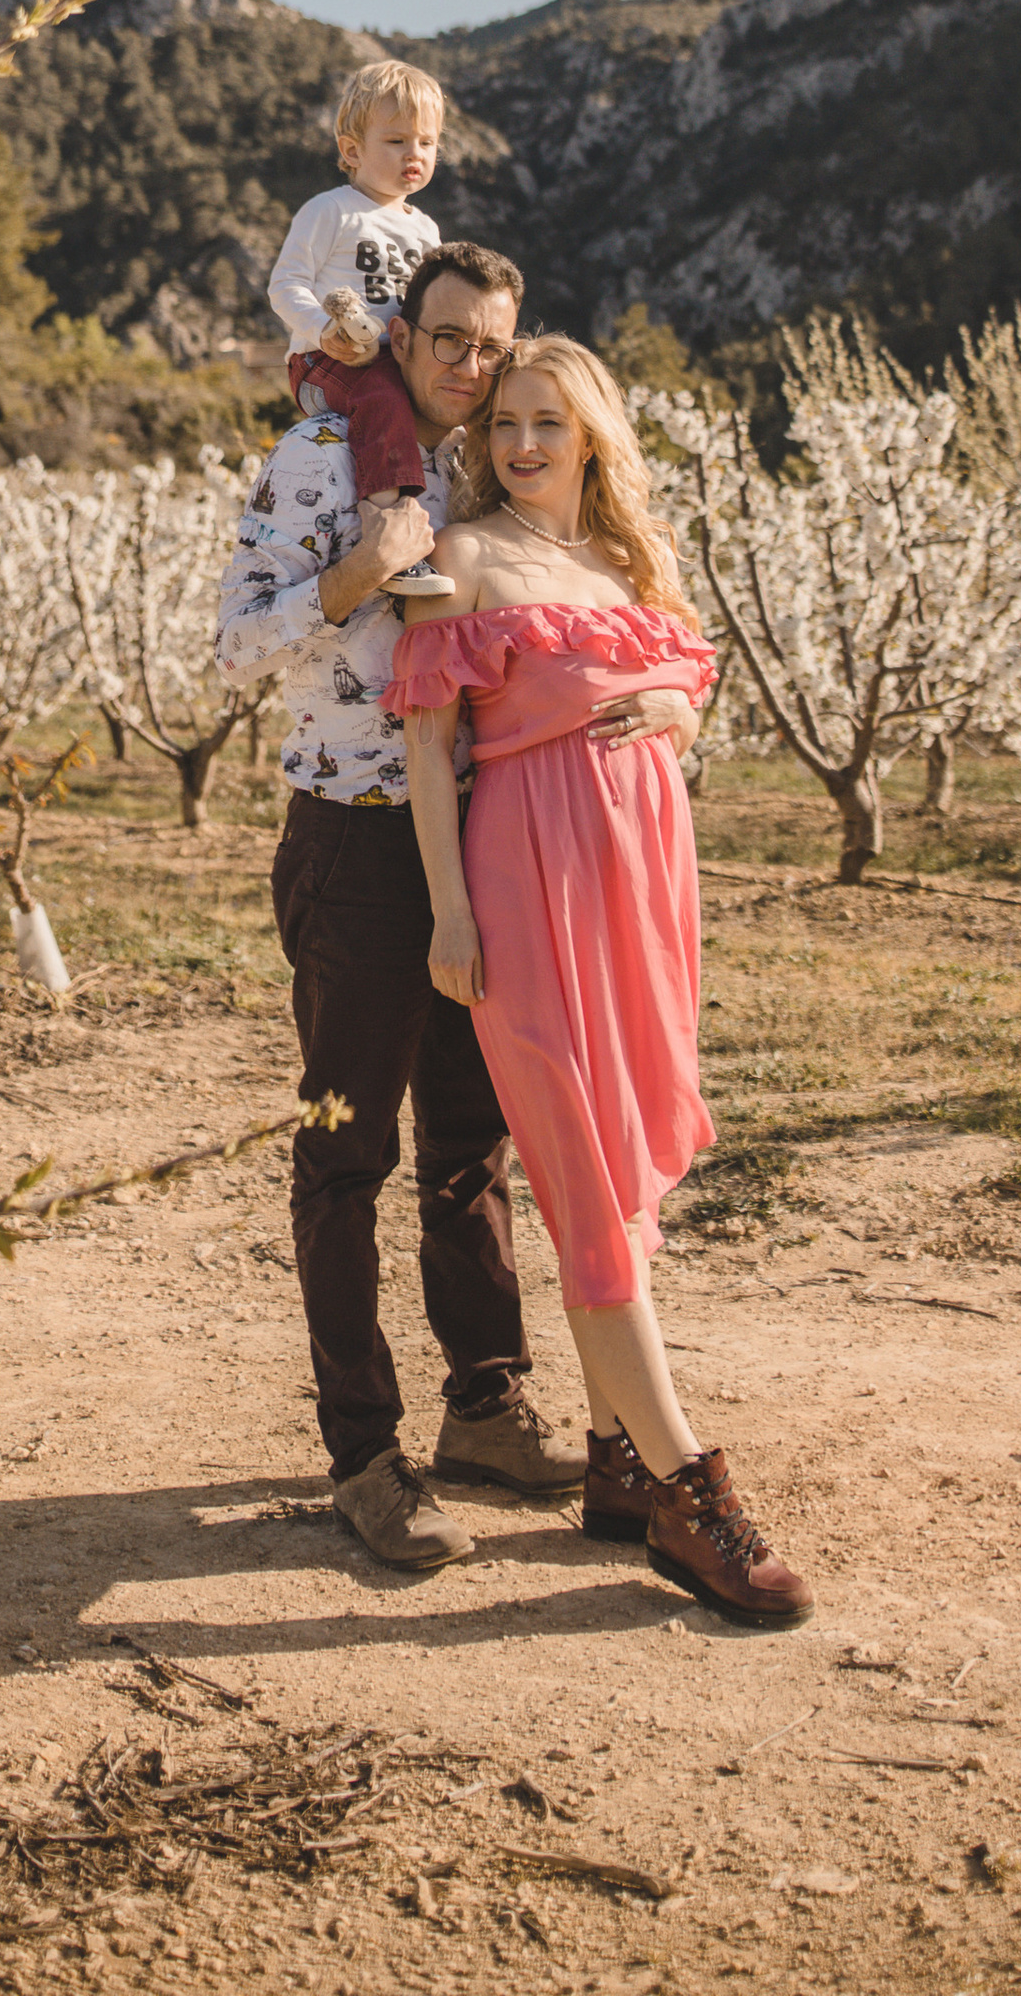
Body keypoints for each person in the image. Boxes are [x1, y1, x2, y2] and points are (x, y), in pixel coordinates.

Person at [387, 334, 814, 1628]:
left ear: (590, 438)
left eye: (547, 423)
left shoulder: (632, 560)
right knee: (582, 1169)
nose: (520, 444)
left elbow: (689, 671)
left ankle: (617, 1462)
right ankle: (692, 1490)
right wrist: (450, 913)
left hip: (643, 897)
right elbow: (423, 748)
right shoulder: (459, 560)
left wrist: (679, 713)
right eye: (503, 422)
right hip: (528, 883)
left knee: (621, 1164)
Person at [215, 237, 585, 1570]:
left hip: (475, 841)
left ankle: (486, 1406)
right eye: (446, 339)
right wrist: (359, 571)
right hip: (354, 846)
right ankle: (364, 1456)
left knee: (471, 1151)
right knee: (347, 1157)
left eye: (489, 345)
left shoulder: (494, 465)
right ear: (400, 333)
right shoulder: (321, 455)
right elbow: (236, 638)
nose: (467, 366)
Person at [264, 59, 455, 598]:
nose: (414, 154)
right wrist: (323, 330)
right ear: (352, 151)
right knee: (385, 397)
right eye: (396, 140)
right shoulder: (332, 211)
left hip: (396, 358)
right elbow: (286, 285)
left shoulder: (426, 229)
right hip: (327, 364)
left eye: (427, 142)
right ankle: (387, 534)